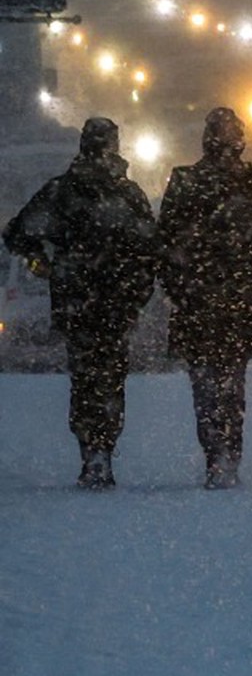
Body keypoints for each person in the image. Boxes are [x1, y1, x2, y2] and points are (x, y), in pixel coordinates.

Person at [2, 117, 157, 490]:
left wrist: (46, 265)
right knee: (111, 379)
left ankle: (91, 452)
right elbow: (150, 250)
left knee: (85, 379)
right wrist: (137, 292)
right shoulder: (128, 195)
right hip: (116, 303)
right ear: (115, 147)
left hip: (76, 302)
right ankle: (104, 447)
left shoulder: (61, 192)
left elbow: (16, 234)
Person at [156, 107, 252, 489]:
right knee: (231, 384)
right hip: (236, 302)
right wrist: (250, 283)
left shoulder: (185, 181)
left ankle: (215, 452)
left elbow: (165, 243)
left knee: (206, 385)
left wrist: (181, 289)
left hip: (197, 303)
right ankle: (228, 453)